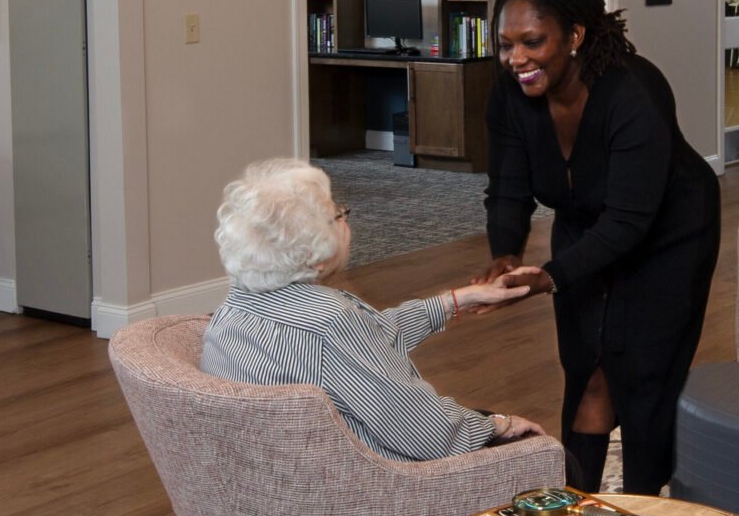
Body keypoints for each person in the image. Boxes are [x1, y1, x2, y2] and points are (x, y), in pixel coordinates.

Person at [481, 0, 720, 494]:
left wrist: (552, 275)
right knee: (587, 367)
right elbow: (508, 188)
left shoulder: (634, 90)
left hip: (669, 232)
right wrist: (505, 251)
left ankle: (644, 506)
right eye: (505, 45)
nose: (516, 58)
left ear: (575, 36)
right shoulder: (510, 96)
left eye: (531, 42)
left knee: (644, 376)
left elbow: (631, 220)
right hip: (584, 228)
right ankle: (578, 507)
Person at [201, 157, 544, 461]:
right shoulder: (331, 323)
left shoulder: (235, 306)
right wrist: (499, 424)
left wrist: (457, 300)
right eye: (337, 215)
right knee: (542, 451)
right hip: (355, 486)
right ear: (314, 257)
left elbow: (369, 339)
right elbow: (427, 433)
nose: (345, 219)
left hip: (271, 477)